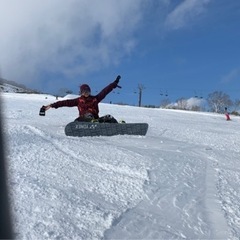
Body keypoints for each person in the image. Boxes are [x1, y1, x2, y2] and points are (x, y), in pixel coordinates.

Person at [42, 75, 121, 123]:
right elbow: (64, 103)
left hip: (96, 120)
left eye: (88, 91)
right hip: (83, 120)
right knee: (80, 120)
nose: (86, 93)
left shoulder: (95, 99)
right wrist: (51, 105)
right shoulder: (78, 101)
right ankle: (90, 121)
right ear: (81, 92)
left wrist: (114, 83)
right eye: (84, 91)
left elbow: (105, 91)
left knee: (109, 117)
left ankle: (114, 125)